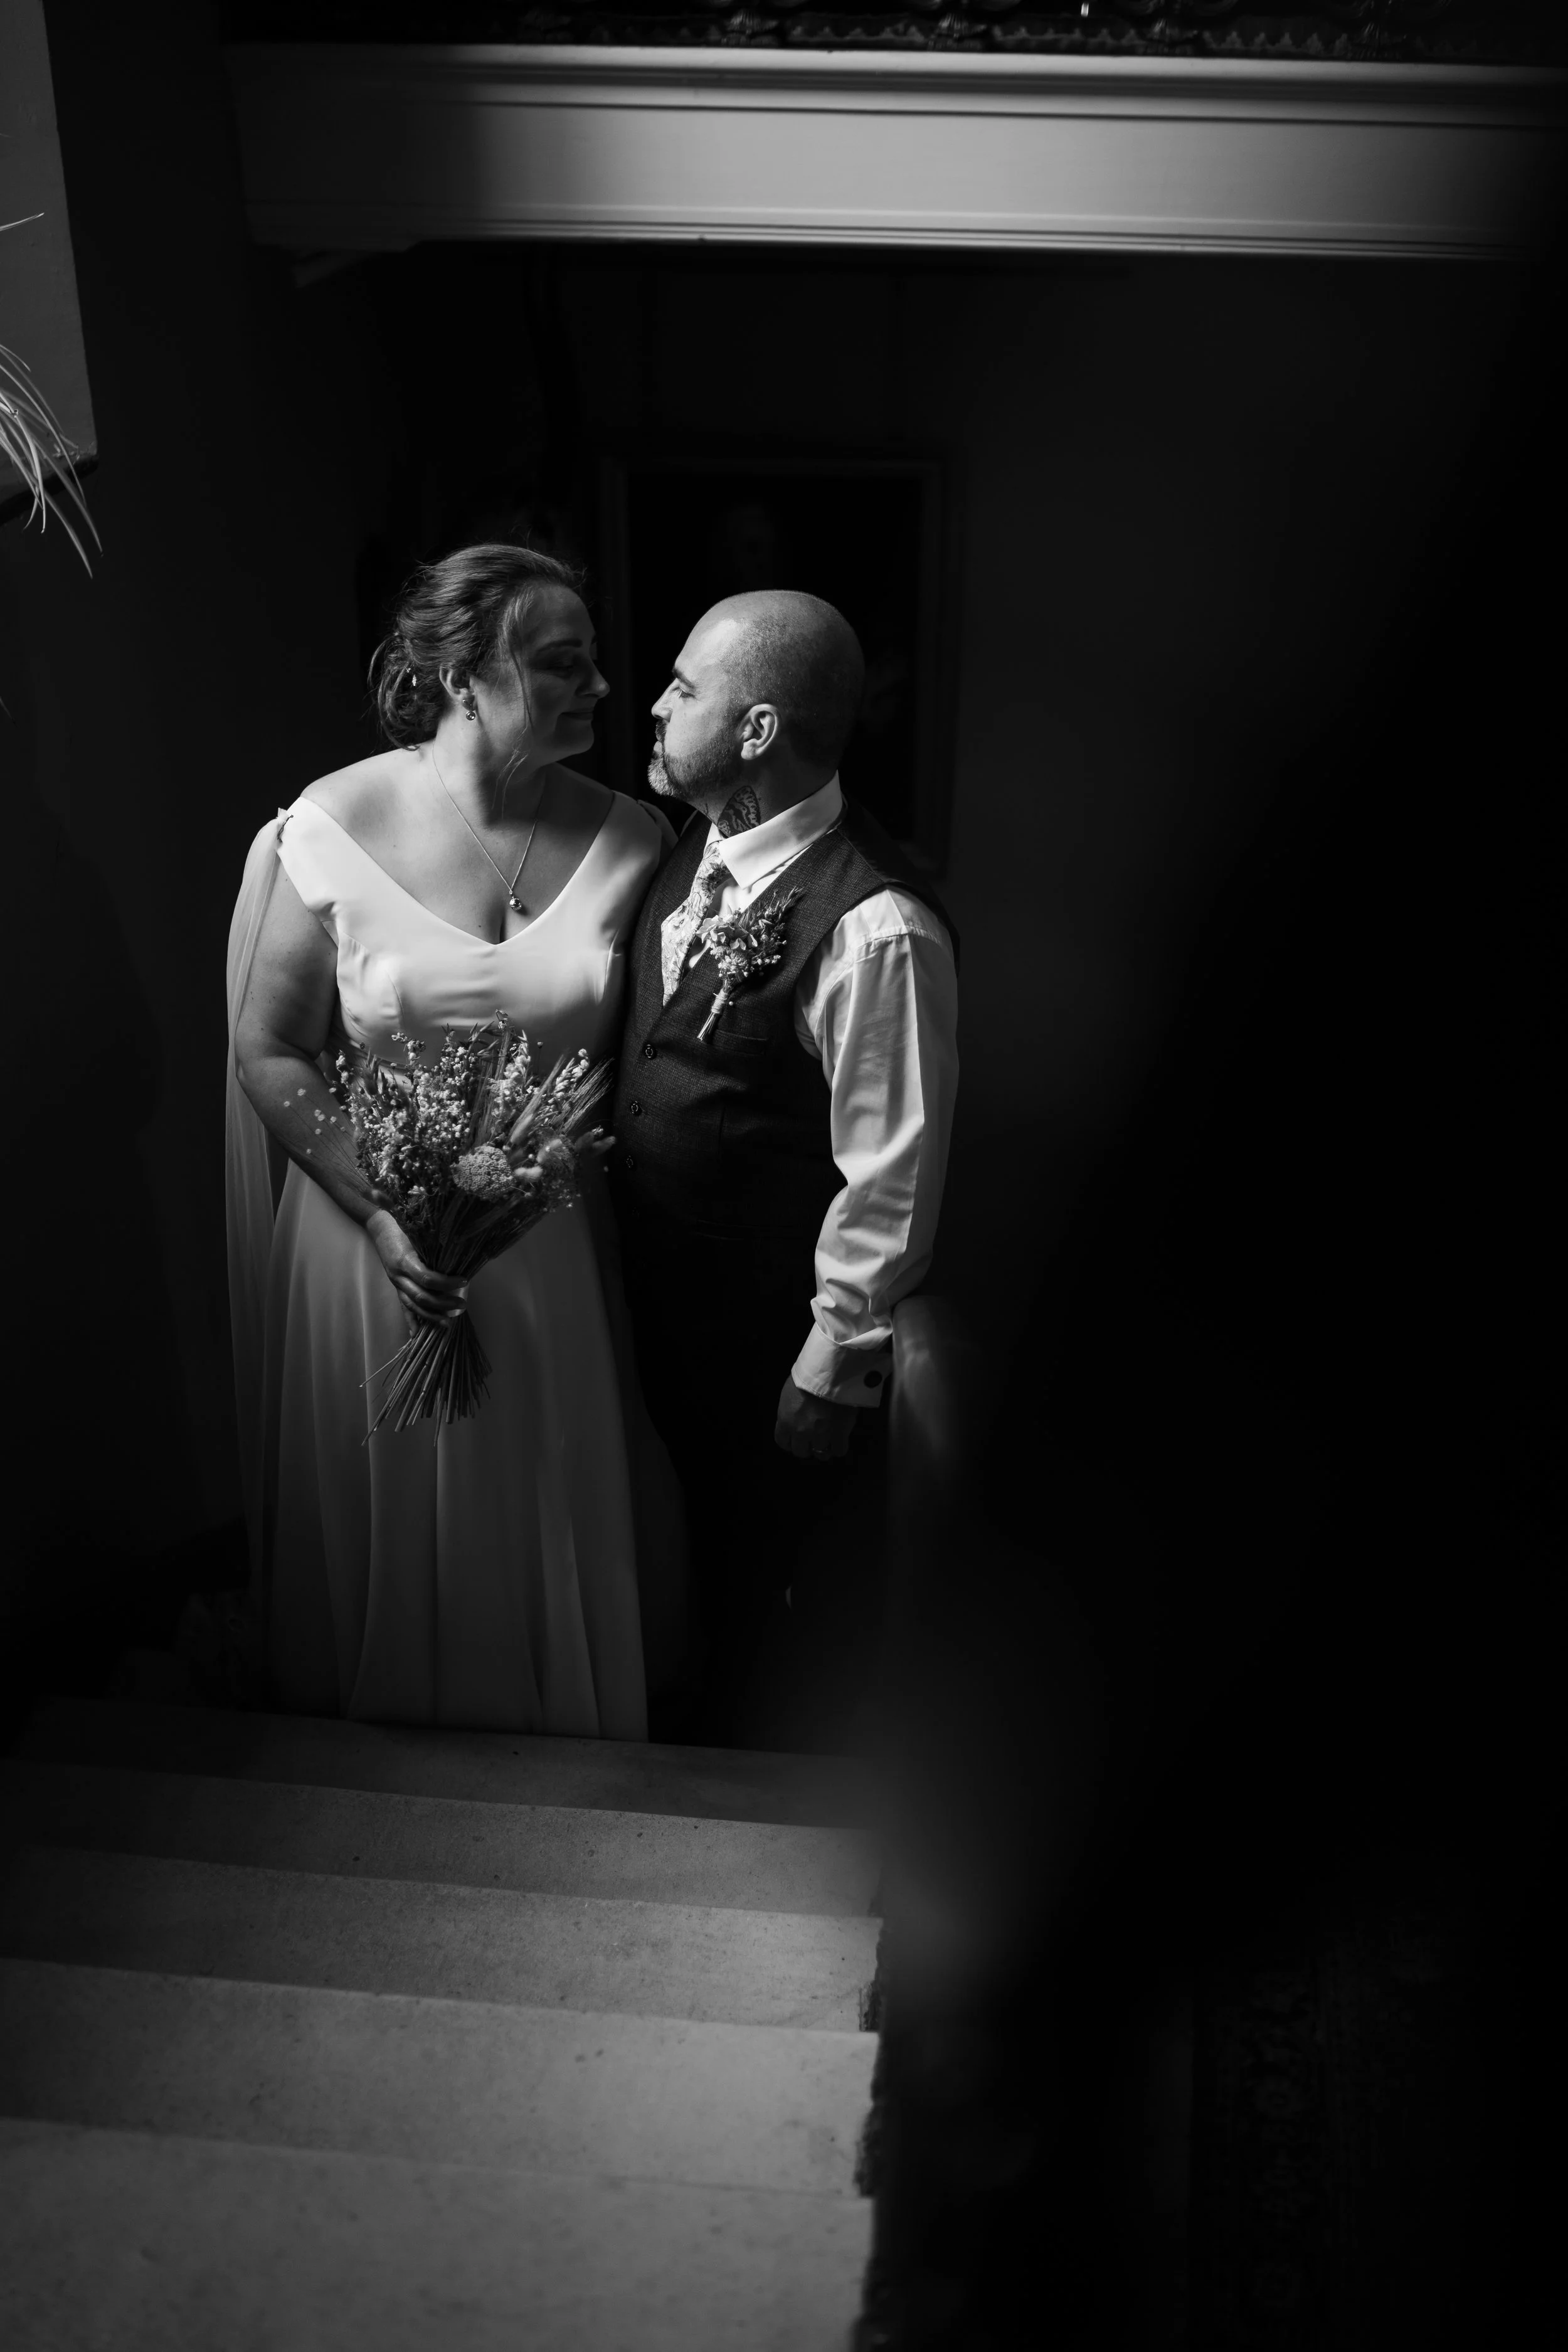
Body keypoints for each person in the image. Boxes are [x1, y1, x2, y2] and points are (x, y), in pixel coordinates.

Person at [226, 544, 683, 1734]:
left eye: (596, 659)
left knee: (535, 1520)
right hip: (367, 1250)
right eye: (560, 663)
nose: (598, 686)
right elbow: (272, 1049)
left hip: (548, 1255)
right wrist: (386, 1215)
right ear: (460, 679)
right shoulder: (327, 823)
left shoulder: (638, 841)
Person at [612, 590, 960, 1747]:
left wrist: (833, 1361)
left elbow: (891, 1171)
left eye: (682, 686)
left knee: (777, 1610)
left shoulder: (877, 927)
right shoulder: (680, 857)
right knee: (700, 1579)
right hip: (662, 1326)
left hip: (770, 1346)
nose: (653, 706)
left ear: (756, 731)